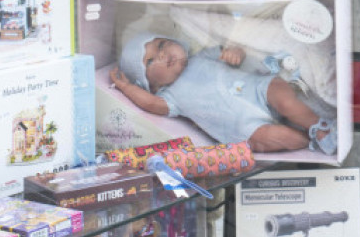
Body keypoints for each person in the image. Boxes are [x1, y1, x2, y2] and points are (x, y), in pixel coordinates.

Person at [110, 32, 338, 154]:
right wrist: (126, 87)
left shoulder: (202, 56)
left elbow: (233, 52)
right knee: (276, 138)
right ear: (151, 85)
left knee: (285, 99)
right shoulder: (170, 98)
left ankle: (319, 127)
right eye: (150, 61)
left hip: (257, 90)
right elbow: (150, 104)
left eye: (161, 45)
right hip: (244, 129)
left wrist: (234, 54)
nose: (161, 55)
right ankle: (306, 139)